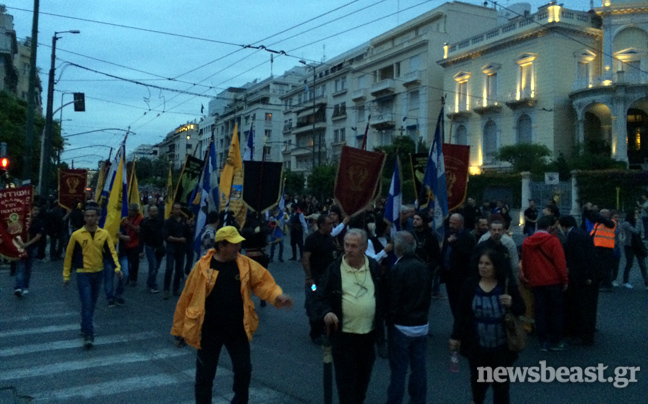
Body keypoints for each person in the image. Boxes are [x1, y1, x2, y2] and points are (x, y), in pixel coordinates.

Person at [171, 226, 293, 404]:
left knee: (244, 370)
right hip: (209, 330)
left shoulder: (243, 264)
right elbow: (186, 298)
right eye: (234, 244)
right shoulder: (202, 267)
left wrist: (276, 296)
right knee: (205, 375)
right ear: (221, 245)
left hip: (237, 329)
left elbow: (262, 282)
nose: (238, 248)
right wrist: (179, 330)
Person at [313, 229, 383, 404]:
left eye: (354, 246)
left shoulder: (373, 267)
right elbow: (319, 297)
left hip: (368, 336)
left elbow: (383, 296)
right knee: (346, 386)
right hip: (344, 337)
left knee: (362, 383)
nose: (349, 249)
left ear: (364, 247)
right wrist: (327, 312)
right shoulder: (335, 269)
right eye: (346, 245)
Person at [450, 249, 525, 404]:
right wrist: (455, 336)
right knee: (478, 388)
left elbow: (521, 309)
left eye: (487, 264)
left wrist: (511, 303)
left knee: (501, 390)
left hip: (502, 347)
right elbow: (461, 313)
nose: (483, 267)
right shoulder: (471, 285)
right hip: (477, 347)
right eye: (481, 263)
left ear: (495, 267)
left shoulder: (506, 285)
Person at [63, 206, 122, 349]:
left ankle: (84, 326)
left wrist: (117, 268)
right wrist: (66, 275)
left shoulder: (104, 234)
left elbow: (110, 252)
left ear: (98, 218)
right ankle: (89, 334)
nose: (90, 218)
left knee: (92, 303)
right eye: (87, 216)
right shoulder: (77, 235)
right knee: (87, 303)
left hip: (98, 272)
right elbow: (69, 255)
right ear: (84, 218)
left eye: (92, 216)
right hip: (83, 273)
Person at [385, 231, 431, 404]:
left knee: (399, 369)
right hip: (421, 323)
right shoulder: (422, 266)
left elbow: (394, 299)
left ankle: (394, 401)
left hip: (402, 325)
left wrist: (390, 319)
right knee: (419, 367)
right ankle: (419, 400)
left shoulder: (398, 269)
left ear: (397, 248)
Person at [521, 216, 568, 352]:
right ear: (549, 227)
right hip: (553, 281)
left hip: (536, 281)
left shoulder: (527, 242)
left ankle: (543, 341)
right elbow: (560, 263)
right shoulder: (553, 241)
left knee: (540, 311)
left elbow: (525, 263)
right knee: (556, 311)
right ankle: (556, 340)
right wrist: (564, 280)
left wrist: (528, 278)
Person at [558, 215, 599, 346]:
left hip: (583, 276)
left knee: (583, 306)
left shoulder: (573, 236)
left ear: (564, 225)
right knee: (589, 306)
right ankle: (588, 333)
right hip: (592, 274)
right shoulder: (580, 233)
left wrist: (585, 277)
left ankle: (585, 336)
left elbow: (579, 258)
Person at [303, 214, 338, 344]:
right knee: (313, 301)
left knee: (327, 302)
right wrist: (309, 277)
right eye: (329, 224)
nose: (331, 226)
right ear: (321, 225)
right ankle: (315, 331)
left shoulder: (330, 238)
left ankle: (325, 328)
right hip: (315, 280)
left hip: (328, 280)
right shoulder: (312, 239)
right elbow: (306, 258)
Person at [442, 213, 477, 320]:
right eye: (450, 223)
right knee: (452, 302)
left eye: (454, 223)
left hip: (462, 277)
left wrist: (455, 243)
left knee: (461, 304)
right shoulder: (448, 233)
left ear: (461, 224)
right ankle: (457, 323)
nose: (451, 225)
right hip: (449, 275)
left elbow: (467, 255)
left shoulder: (468, 237)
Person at [13, 205, 46, 297]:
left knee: (28, 268)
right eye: (34, 209)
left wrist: (28, 244)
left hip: (32, 247)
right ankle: (18, 287)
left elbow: (38, 236)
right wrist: (21, 244)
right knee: (20, 267)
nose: (36, 211)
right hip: (21, 247)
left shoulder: (39, 222)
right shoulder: (22, 220)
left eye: (37, 210)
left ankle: (25, 286)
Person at [410, 212, 442, 298]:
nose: (414, 221)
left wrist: (431, 267)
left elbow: (436, 254)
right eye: (414, 219)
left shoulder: (431, 236)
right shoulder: (410, 235)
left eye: (417, 219)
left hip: (426, 269)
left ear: (423, 221)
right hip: (413, 269)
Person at [163, 202, 189, 299]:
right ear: (172, 210)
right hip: (171, 247)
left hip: (181, 249)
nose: (178, 211)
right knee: (169, 268)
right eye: (176, 209)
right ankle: (166, 289)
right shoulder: (168, 222)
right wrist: (180, 239)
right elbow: (167, 237)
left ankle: (176, 288)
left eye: (179, 209)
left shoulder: (183, 221)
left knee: (179, 269)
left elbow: (187, 234)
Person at [590, 208, 617, 291]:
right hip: (598, 247)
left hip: (607, 248)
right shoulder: (599, 223)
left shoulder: (611, 222)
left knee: (606, 267)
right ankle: (603, 283)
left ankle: (607, 285)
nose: (600, 214)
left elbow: (606, 222)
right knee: (600, 267)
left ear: (607, 214)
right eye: (600, 213)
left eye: (602, 213)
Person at [140, 205, 166, 293]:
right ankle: (151, 285)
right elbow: (142, 237)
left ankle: (151, 283)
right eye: (153, 211)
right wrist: (141, 250)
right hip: (150, 247)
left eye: (156, 211)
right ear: (149, 212)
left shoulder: (160, 221)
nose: (155, 213)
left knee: (156, 267)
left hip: (159, 247)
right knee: (153, 266)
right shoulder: (145, 222)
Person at [620, 209, 648, 289]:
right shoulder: (626, 223)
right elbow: (636, 231)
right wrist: (639, 220)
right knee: (629, 263)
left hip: (637, 245)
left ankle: (646, 282)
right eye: (635, 213)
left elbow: (641, 232)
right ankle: (625, 281)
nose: (637, 215)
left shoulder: (637, 222)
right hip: (629, 246)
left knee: (642, 265)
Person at [121, 203, 143, 286]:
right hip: (125, 243)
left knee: (134, 263)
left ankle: (133, 279)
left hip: (135, 243)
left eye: (131, 210)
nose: (129, 212)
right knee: (126, 262)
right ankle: (126, 277)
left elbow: (138, 230)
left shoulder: (140, 219)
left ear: (136, 211)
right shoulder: (126, 217)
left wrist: (129, 224)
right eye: (129, 210)